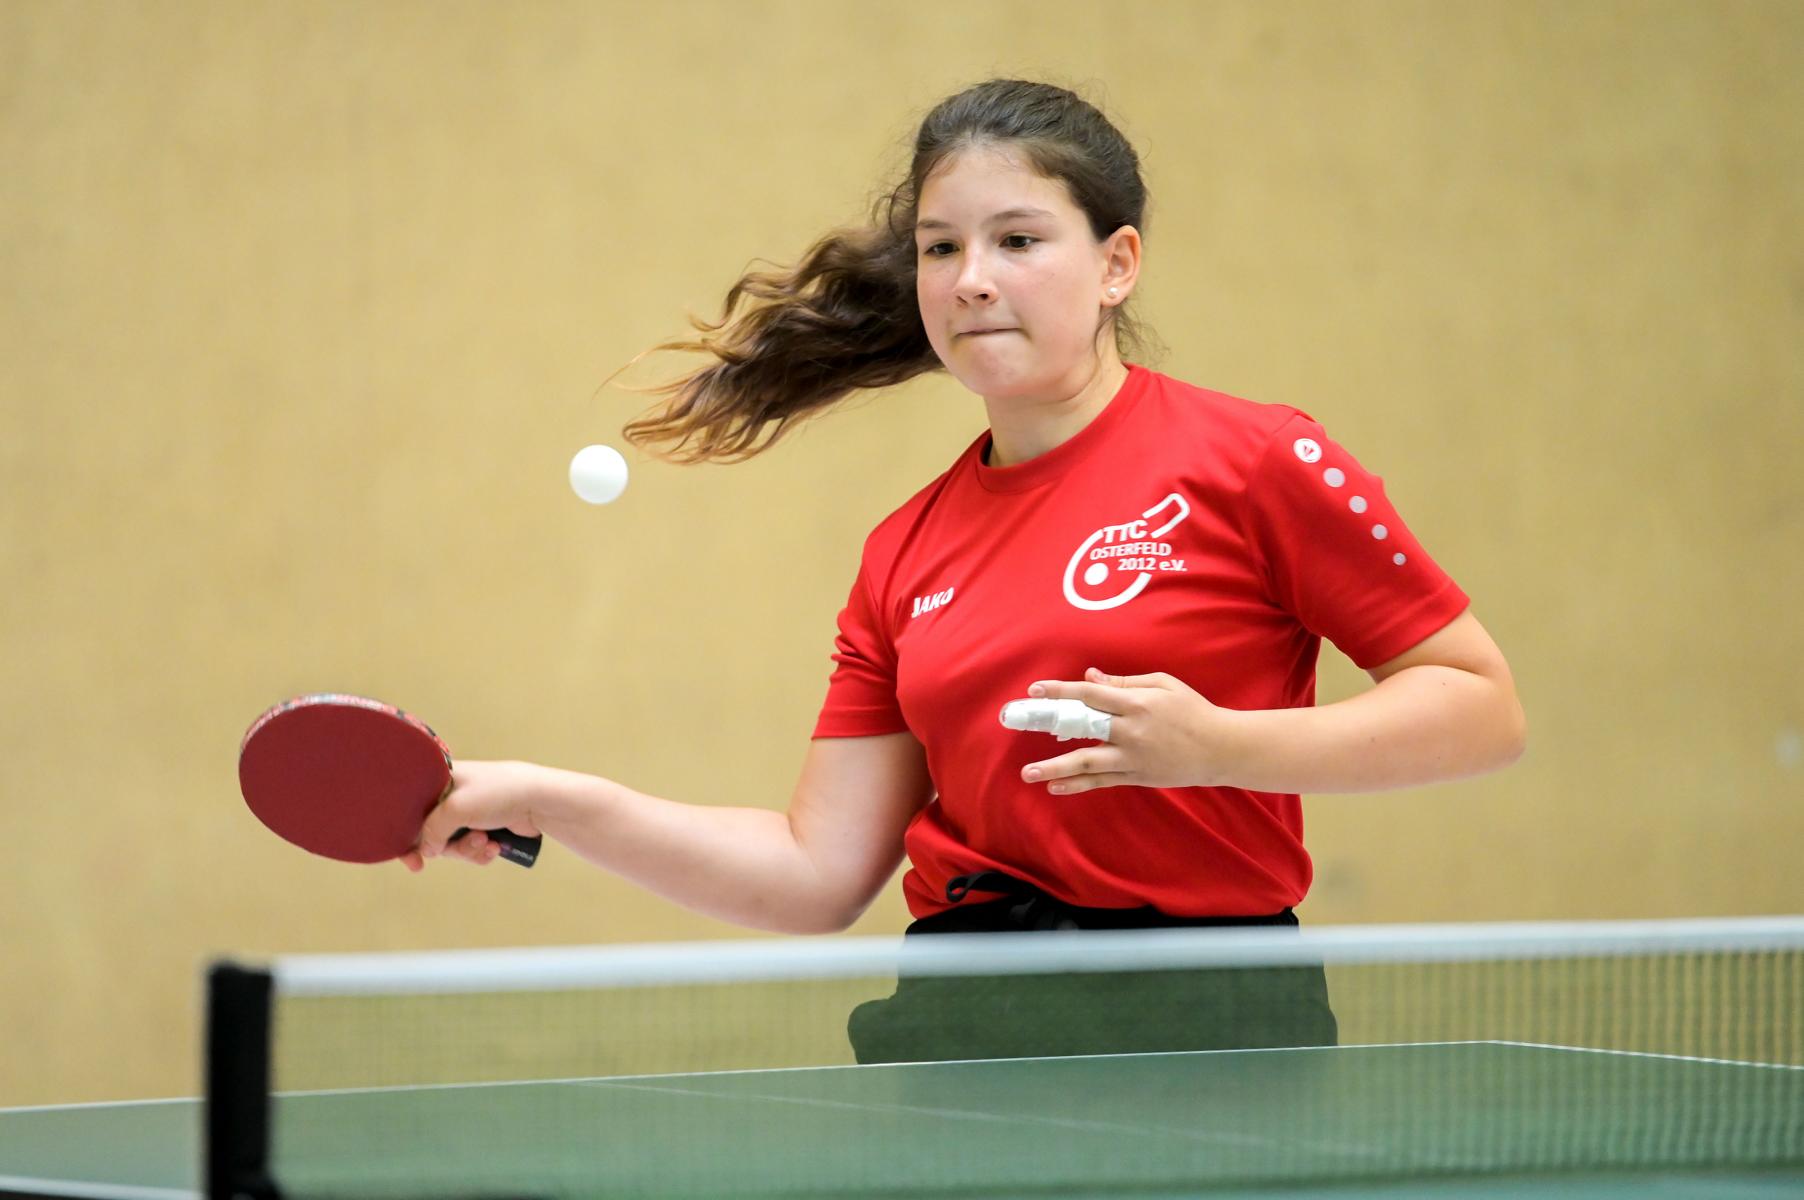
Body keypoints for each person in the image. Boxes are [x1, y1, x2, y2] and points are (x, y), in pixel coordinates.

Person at [405, 79, 1526, 1061]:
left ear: (1117, 265)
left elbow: (1480, 708)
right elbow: (813, 874)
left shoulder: (1258, 460)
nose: (971, 279)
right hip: (968, 1017)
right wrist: (554, 800)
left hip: (1208, 1011)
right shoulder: (904, 550)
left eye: (1018, 241)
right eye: (941, 248)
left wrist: (1218, 747)